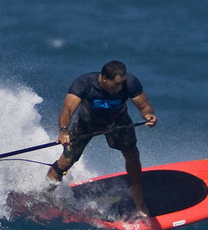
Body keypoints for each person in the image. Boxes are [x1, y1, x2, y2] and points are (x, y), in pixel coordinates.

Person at [47, 59, 158, 217]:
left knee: (132, 154)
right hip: (86, 124)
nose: (119, 88)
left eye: (121, 84)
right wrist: (64, 131)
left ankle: (137, 192)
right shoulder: (84, 84)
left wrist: (149, 115)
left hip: (117, 122)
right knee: (65, 162)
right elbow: (68, 110)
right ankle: (47, 193)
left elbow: (144, 105)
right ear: (104, 78)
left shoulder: (130, 83)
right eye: (115, 85)